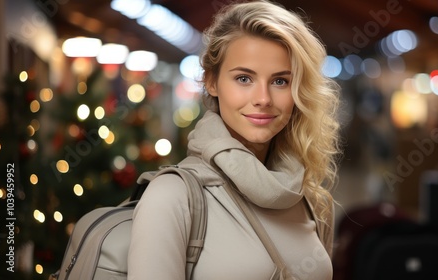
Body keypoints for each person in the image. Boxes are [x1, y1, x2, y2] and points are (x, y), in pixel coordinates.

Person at [128, 1, 342, 279]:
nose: (263, 99)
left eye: (280, 81)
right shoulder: (172, 197)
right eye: (244, 78)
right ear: (212, 82)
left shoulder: (306, 195)